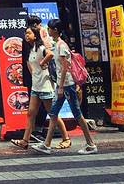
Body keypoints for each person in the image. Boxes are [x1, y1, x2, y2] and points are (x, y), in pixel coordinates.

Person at [32, 19, 97, 155]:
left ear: (55, 30)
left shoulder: (62, 46)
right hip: (63, 85)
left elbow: (65, 68)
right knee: (53, 113)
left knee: (77, 114)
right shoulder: (58, 44)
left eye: (49, 29)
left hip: (67, 85)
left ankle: (91, 144)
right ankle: (46, 144)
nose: (48, 31)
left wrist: (61, 87)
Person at [11, 25, 69, 150]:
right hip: (36, 86)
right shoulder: (31, 49)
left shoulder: (41, 48)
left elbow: (50, 54)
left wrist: (43, 62)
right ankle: (25, 141)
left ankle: (66, 138)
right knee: (31, 114)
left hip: (45, 87)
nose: (26, 35)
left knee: (52, 114)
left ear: (35, 35)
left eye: (29, 33)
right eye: (26, 33)